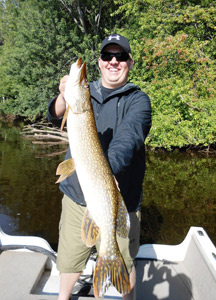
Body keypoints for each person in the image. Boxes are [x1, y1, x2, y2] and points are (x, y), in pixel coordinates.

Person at [47, 33, 152, 300]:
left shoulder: (138, 101)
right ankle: (63, 298)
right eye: (107, 56)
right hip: (77, 195)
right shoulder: (85, 93)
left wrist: (110, 172)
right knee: (70, 259)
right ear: (100, 61)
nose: (113, 61)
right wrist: (63, 95)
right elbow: (55, 114)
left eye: (120, 57)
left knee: (124, 261)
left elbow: (129, 138)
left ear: (129, 62)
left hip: (122, 198)